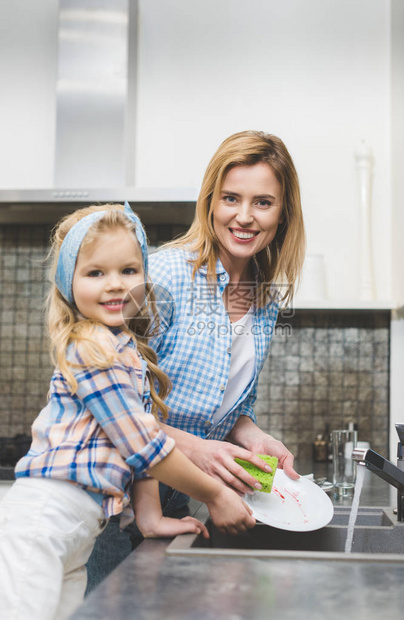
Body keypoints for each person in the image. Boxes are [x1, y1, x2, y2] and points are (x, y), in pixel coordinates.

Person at [0, 203, 256, 620]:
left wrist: (151, 520)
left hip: (78, 531)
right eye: (95, 273)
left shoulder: (126, 351)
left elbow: (138, 450)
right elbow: (146, 447)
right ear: (69, 281)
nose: (115, 285)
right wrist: (215, 494)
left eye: (129, 271)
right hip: (44, 522)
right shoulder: (90, 348)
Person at [87, 130, 306, 589]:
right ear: (210, 202)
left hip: (173, 504)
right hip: (109, 506)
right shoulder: (164, 275)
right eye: (231, 198)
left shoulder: (262, 301)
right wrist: (202, 456)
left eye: (263, 202)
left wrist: (254, 436)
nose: (244, 216)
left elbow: (225, 408)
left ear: (283, 213)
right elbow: (108, 402)